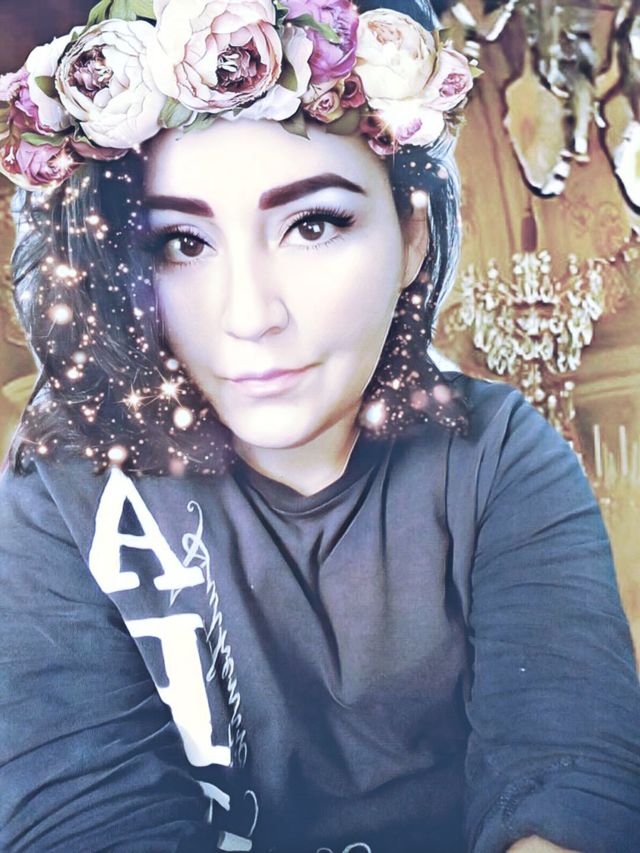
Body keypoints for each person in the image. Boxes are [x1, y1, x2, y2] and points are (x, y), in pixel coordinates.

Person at [0, 1, 639, 852]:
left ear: (412, 239)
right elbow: (77, 818)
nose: (249, 315)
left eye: (312, 224)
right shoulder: (62, 489)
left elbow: (571, 781)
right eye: (181, 242)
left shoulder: (500, 455)